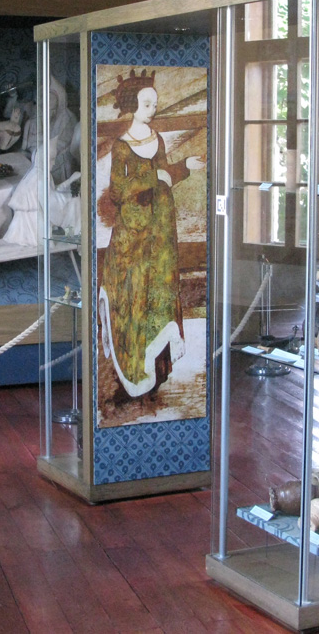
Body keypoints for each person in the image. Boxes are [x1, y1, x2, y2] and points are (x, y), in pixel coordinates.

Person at [96, 70, 204, 402]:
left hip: (159, 230)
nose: (152, 110)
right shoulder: (122, 146)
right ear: (132, 105)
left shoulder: (157, 139)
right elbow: (118, 190)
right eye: (147, 104)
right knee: (134, 295)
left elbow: (164, 174)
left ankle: (156, 373)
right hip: (132, 236)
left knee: (159, 291)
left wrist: (185, 165)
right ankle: (131, 373)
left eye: (155, 105)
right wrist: (152, 176)